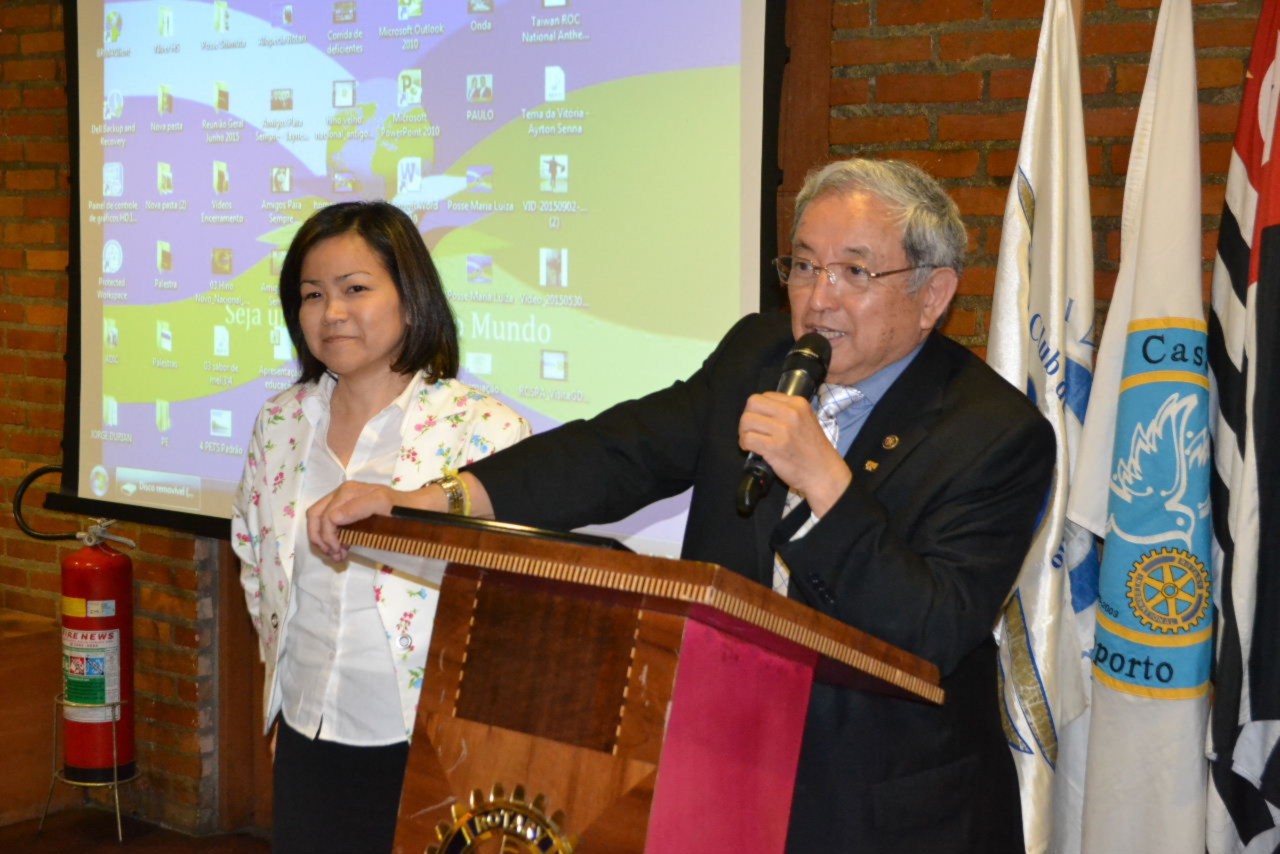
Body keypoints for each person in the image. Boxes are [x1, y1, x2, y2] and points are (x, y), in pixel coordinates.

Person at [308, 159, 1054, 853]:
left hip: (883, 805)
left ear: (933, 295)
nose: (819, 298)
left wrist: (827, 484)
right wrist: (432, 502)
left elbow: (934, 631)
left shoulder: (996, 434)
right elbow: (616, 453)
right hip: (725, 769)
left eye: (854, 272)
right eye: (803, 266)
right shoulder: (761, 352)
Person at [230, 201, 530, 854]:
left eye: (355, 289)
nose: (332, 312)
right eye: (313, 294)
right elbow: (255, 560)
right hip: (307, 729)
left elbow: (511, 605)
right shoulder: (280, 423)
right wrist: (284, 697)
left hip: (431, 742)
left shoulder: (483, 430)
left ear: (412, 300)